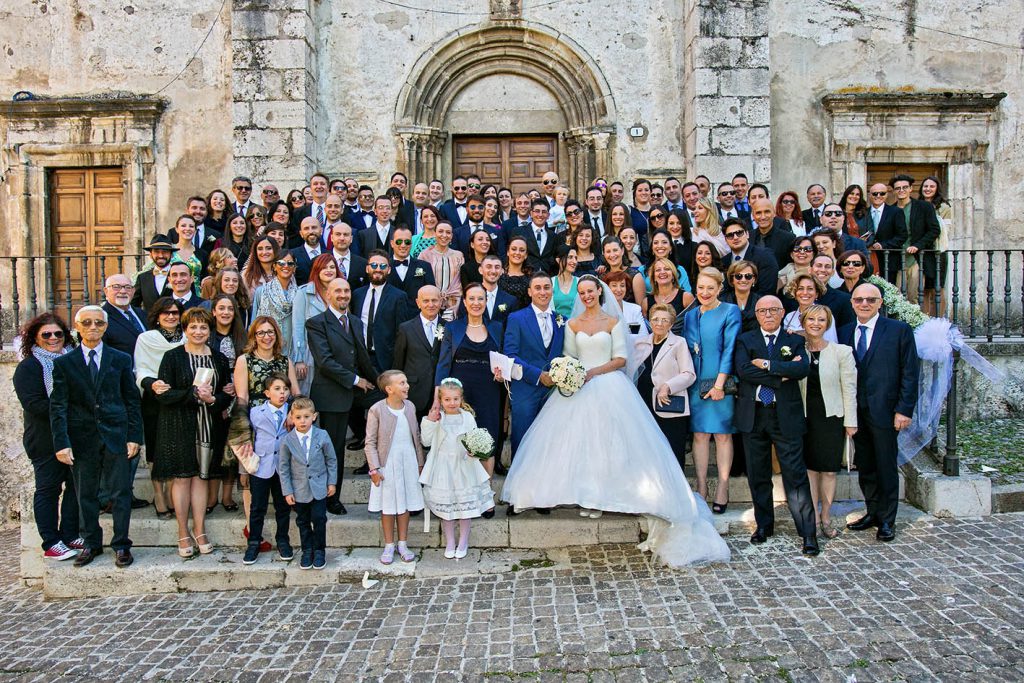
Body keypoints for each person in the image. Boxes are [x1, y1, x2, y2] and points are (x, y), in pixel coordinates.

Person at [501, 275, 730, 566]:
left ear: (599, 291)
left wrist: (592, 373)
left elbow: (621, 358)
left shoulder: (612, 321)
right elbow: (570, 356)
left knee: (608, 443)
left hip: (609, 385)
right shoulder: (571, 324)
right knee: (579, 443)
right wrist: (570, 373)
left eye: (590, 291)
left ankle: (601, 496)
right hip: (577, 387)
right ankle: (582, 494)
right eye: (581, 292)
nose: (586, 296)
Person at [50, 305, 143, 568]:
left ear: (105, 327)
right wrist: (62, 442)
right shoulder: (64, 364)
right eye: (87, 323)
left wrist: (134, 436)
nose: (93, 327)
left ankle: (122, 545)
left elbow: (131, 401)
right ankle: (91, 543)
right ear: (77, 327)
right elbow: (58, 406)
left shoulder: (120, 359)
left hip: (116, 434)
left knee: (121, 493)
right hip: (82, 439)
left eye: (98, 323)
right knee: (86, 495)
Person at [734, 295, 818, 555]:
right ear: (756, 314)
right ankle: (763, 526)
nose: (768, 315)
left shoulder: (794, 340)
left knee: (795, 476)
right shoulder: (746, 339)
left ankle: (808, 534)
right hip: (754, 415)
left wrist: (769, 365)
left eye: (773, 310)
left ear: (783, 313)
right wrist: (781, 375)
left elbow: (802, 369)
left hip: (785, 417)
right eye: (762, 311)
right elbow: (744, 371)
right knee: (758, 475)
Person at [839, 283, 919, 542]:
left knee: (885, 464)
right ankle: (872, 511)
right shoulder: (844, 332)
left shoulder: (899, 330)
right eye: (859, 300)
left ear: (880, 302)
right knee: (866, 465)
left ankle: (887, 519)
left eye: (870, 300)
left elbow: (910, 372)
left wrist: (904, 409)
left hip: (886, 411)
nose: (864, 304)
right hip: (856, 412)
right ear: (852, 303)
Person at [154, 307, 231, 558]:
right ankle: (182, 531)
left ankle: (200, 530)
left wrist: (212, 399)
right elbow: (165, 394)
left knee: (202, 477)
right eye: (193, 327)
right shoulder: (173, 357)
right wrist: (194, 394)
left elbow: (225, 395)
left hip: (208, 425)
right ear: (185, 330)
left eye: (203, 327)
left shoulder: (219, 359)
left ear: (210, 330)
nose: (198, 331)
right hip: (179, 425)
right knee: (182, 478)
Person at [305, 278, 379, 515]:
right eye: (338, 290)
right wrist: (357, 381)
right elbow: (325, 362)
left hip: (355, 391)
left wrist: (382, 383)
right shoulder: (316, 323)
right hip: (331, 394)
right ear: (327, 294)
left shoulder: (355, 322)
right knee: (333, 449)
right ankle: (330, 497)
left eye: (346, 291)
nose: (343, 295)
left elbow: (362, 357)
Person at [14, 312, 80, 561]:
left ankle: (71, 534)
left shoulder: (72, 361)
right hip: (44, 438)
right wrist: (68, 410)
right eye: (47, 334)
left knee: (75, 487)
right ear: (35, 337)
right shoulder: (29, 367)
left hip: (74, 436)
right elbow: (34, 404)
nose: (53, 338)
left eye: (58, 334)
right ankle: (51, 541)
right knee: (48, 489)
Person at [683, 268, 741, 513]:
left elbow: (729, 349)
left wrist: (719, 385)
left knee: (722, 435)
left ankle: (723, 487)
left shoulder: (730, 311)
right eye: (700, 288)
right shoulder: (690, 315)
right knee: (699, 435)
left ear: (719, 288)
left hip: (721, 383)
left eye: (710, 288)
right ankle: (702, 487)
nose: (704, 293)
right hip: (696, 383)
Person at [434, 283, 505, 484]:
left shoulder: (497, 328)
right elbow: (443, 364)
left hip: (489, 391)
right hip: (460, 394)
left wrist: (503, 374)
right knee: (460, 439)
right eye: (471, 298)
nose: (476, 303)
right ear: (464, 302)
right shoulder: (452, 327)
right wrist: (436, 400)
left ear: (486, 301)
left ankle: (486, 492)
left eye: (480, 298)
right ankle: (463, 490)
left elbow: (505, 359)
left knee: (487, 438)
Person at [503, 273, 565, 499]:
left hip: (553, 392)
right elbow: (510, 354)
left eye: (547, 287)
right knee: (523, 440)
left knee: (549, 443)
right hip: (526, 389)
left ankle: (544, 495)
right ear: (529, 291)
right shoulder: (517, 318)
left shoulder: (562, 320)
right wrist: (539, 375)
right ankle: (518, 495)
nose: (542, 292)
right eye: (537, 287)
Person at [799, 305, 857, 540]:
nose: (815, 323)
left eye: (821, 320)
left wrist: (851, 422)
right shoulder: (796, 350)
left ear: (828, 324)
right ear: (803, 322)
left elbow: (849, 388)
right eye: (811, 319)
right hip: (804, 417)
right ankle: (812, 517)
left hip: (831, 417)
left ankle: (826, 515)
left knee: (829, 470)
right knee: (810, 470)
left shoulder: (841, 352)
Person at [420, 378, 494, 559]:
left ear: (461, 399)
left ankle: (463, 541)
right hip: (443, 467)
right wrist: (430, 421)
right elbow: (426, 441)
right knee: (447, 508)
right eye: (447, 399)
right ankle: (450, 541)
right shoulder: (438, 418)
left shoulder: (467, 417)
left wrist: (474, 452)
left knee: (464, 505)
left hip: (464, 466)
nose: (452, 403)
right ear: (440, 400)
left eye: (455, 399)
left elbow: (475, 438)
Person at [365, 370, 426, 565]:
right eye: (401, 383)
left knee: (405, 504)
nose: (407, 386)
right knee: (389, 506)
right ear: (389, 389)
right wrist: (374, 468)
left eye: (406, 382)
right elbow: (370, 442)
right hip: (387, 464)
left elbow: (415, 437)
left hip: (407, 461)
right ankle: (389, 545)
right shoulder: (377, 410)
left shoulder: (410, 407)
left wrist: (420, 462)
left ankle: (403, 543)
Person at [134, 297, 185, 518]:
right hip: (154, 398)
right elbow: (141, 368)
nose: (171, 316)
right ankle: (159, 495)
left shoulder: (187, 337)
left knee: (175, 447)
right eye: (166, 313)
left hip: (180, 398)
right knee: (157, 450)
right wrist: (152, 383)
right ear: (157, 316)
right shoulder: (146, 338)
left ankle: (172, 493)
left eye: (175, 312)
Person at [633, 304, 697, 470]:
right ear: (649, 321)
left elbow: (689, 374)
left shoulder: (678, 343)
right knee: (648, 453)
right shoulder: (640, 344)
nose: (659, 323)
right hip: (644, 406)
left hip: (669, 405)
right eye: (655, 319)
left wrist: (667, 386)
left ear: (671, 324)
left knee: (673, 452)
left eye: (664, 320)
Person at [277, 395, 337, 570]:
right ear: (291, 418)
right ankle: (307, 550)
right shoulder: (287, 441)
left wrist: (331, 482)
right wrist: (287, 491)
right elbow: (284, 468)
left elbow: (331, 460)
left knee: (319, 519)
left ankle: (319, 551)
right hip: (299, 489)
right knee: (302, 521)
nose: (302, 421)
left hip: (319, 488)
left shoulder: (322, 435)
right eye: (298, 417)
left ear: (314, 416)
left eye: (306, 417)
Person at [242, 373, 294, 565]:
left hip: (283, 467)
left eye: (285, 389)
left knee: (283, 507)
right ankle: (254, 542)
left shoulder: (293, 411)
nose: (282, 393)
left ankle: (283, 541)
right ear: (267, 393)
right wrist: (244, 469)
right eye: (277, 389)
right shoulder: (256, 412)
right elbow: (246, 440)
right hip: (261, 466)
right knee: (258, 507)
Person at [393, 285, 444, 421]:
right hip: (414, 391)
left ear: (441, 302)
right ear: (418, 303)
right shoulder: (406, 328)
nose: (431, 304)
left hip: (441, 393)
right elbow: (398, 363)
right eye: (426, 301)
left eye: (434, 300)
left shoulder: (448, 327)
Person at [291, 253, 338, 395]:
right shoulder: (304, 293)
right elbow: (297, 326)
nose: (329, 270)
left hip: (335, 355)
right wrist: (299, 359)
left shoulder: (342, 292)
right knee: (309, 398)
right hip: (310, 356)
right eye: (324, 267)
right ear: (317, 270)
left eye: (332, 267)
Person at [251, 251, 297, 355]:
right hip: (266, 348)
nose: (285, 266)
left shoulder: (299, 294)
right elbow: (254, 322)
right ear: (274, 266)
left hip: (292, 350)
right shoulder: (262, 291)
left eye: (290, 263)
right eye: (281, 263)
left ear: (294, 268)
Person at [720, 218, 779, 297]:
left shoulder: (765, 256)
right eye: (730, 235)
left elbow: (767, 292)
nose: (735, 237)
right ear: (726, 240)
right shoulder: (723, 262)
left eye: (739, 233)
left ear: (747, 234)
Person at [418, 221, 464, 318]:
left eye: (448, 232)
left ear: (451, 236)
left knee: (448, 331)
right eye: (440, 231)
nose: (444, 235)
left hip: (454, 303)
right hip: (431, 302)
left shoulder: (458, 255)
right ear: (435, 233)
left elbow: (460, 281)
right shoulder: (424, 255)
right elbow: (420, 280)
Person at [387, 226, 436, 301]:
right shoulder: (384, 267)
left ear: (411, 243)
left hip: (415, 312)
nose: (403, 245)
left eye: (407, 242)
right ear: (392, 243)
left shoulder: (425, 266)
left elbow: (431, 294)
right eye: (399, 241)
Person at [783, 274, 837, 342]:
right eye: (800, 288)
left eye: (810, 289)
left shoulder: (825, 315)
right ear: (795, 293)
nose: (805, 292)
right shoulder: (789, 317)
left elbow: (831, 344)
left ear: (816, 294)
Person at [132, 235, 178, 311]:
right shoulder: (142, 278)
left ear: (171, 254)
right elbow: (134, 304)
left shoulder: (180, 276)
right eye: (156, 252)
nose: (161, 255)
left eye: (165, 252)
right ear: (150, 255)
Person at [721, 260, 762, 333]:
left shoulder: (761, 302)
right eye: (738, 276)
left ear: (754, 279)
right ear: (732, 280)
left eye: (748, 276)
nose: (743, 280)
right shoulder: (721, 302)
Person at [499, 235, 533, 308]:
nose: (517, 253)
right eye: (514, 249)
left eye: (522, 250)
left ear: (526, 255)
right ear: (508, 252)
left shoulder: (531, 278)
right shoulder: (498, 276)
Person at [551, 248, 579, 319]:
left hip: (577, 327)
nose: (574, 261)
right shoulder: (550, 282)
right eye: (570, 257)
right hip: (556, 326)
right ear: (558, 260)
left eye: (576, 258)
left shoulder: (580, 282)